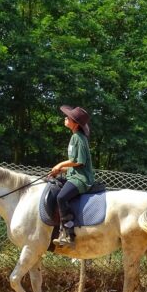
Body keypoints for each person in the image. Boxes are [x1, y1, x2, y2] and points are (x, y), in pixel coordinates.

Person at [49, 105, 95, 247]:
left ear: (75, 123)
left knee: (61, 197)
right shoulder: (75, 136)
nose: (65, 118)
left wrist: (59, 165)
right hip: (73, 176)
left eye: (68, 117)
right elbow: (75, 164)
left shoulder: (78, 138)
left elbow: (78, 161)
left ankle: (70, 234)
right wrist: (61, 170)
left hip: (81, 179)